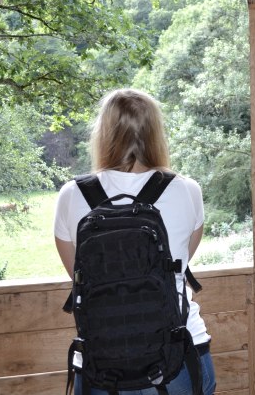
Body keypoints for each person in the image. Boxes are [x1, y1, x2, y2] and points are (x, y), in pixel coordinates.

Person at [54, 88, 216, 395]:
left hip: (104, 361)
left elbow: (79, 276)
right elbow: (178, 267)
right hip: (180, 354)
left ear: (102, 133)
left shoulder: (71, 195)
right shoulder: (187, 190)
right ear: (156, 132)